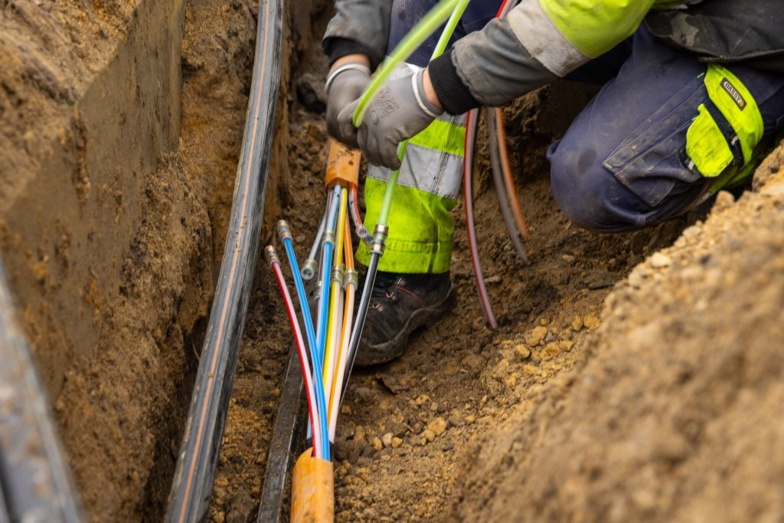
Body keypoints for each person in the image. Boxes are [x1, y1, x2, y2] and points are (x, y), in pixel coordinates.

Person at [323, 0, 784, 365]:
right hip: (653, 13)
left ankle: (761, 155)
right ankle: (407, 270)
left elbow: (592, 11)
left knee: (600, 179)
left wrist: (431, 90)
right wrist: (349, 52)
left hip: (749, 37)